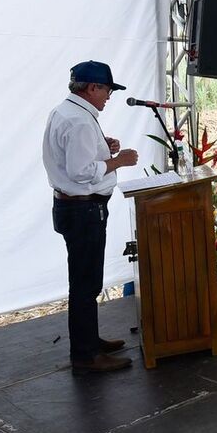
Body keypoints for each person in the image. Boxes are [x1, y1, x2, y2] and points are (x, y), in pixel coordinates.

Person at [43, 60, 138, 373]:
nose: (109, 96)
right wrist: (118, 161)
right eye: (107, 89)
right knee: (86, 284)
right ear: (92, 87)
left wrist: (103, 150)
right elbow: (81, 171)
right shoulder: (81, 121)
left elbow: (73, 158)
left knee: (84, 281)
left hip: (73, 207)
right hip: (84, 209)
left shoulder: (65, 112)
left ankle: (89, 341)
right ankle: (85, 356)